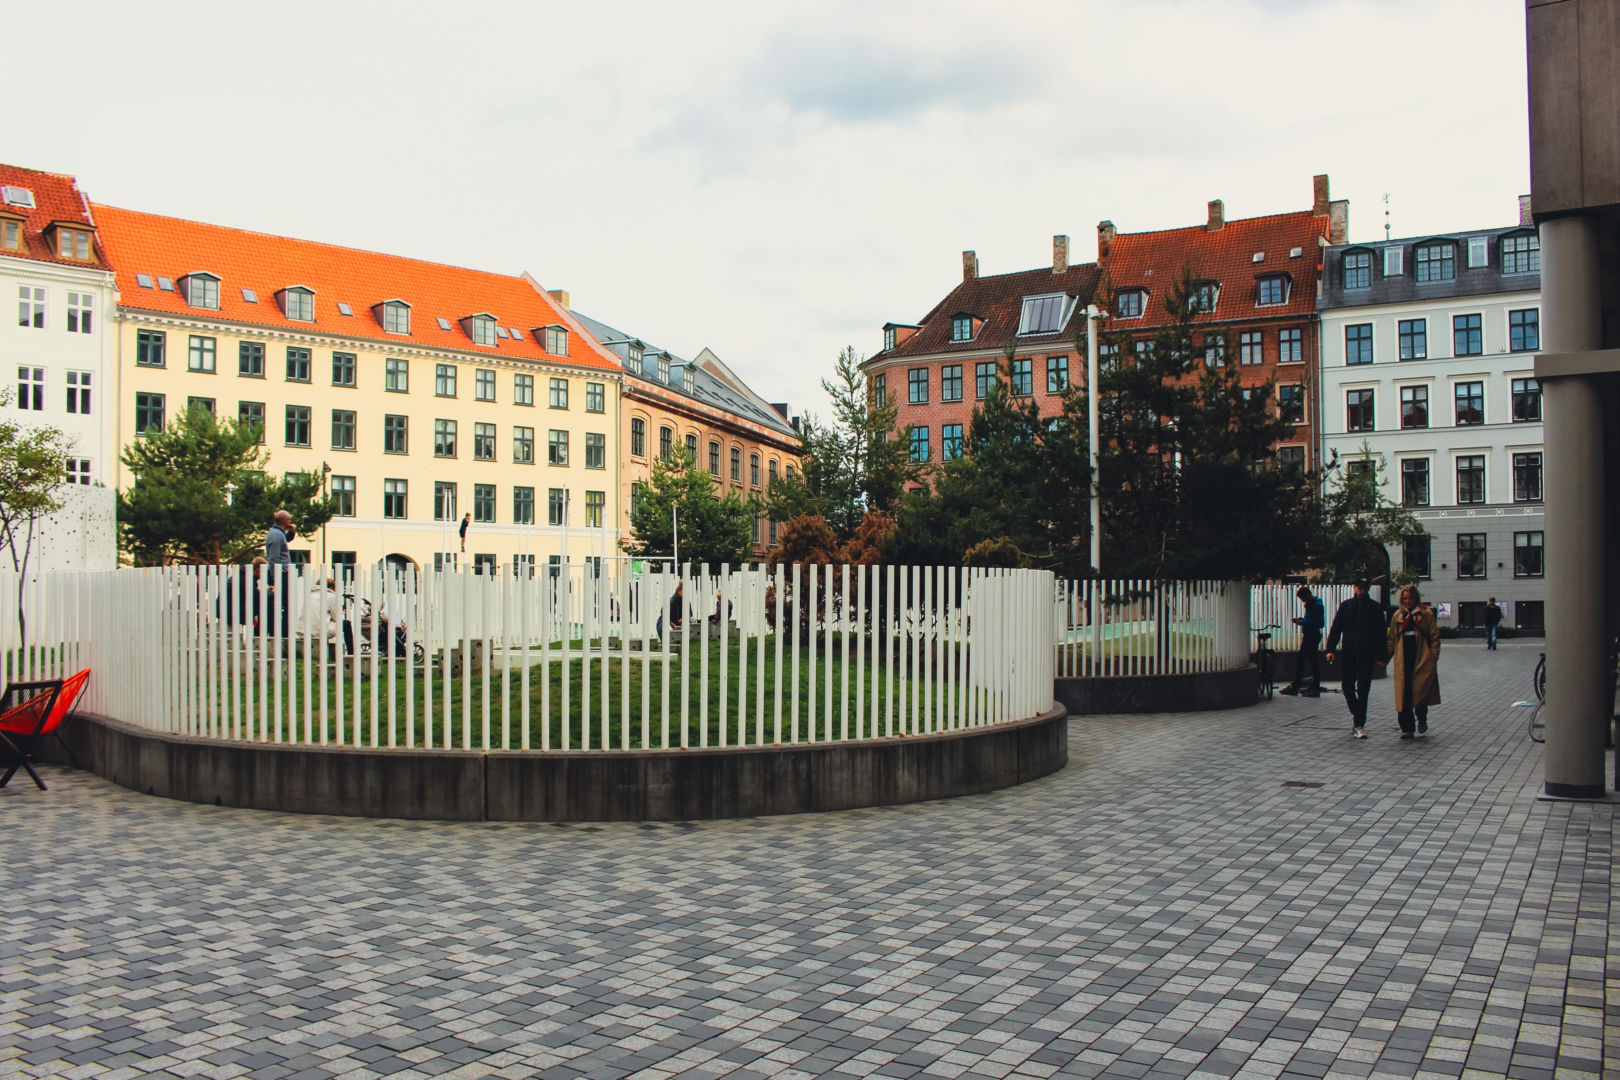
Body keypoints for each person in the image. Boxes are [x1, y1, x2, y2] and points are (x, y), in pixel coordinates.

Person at [1325, 575, 1388, 739]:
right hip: (1349, 653)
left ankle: (1359, 723)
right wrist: (1330, 649)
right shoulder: (1347, 606)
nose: (1363, 591)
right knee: (1347, 686)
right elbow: (1336, 628)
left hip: (1367, 654)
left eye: (1365, 588)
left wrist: (1382, 656)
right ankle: (1356, 712)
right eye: (1360, 588)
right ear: (1354, 588)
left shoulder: (1375, 608)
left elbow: (1381, 634)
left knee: (1364, 689)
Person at [1387, 584, 1441, 739]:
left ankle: (1421, 718)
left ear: (1415, 598)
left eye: (1410, 598)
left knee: (1420, 691)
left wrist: (1434, 656)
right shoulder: (1398, 615)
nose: (1408, 601)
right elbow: (1392, 638)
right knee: (1404, 694)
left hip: (1422, 657)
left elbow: (1434, 636)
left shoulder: (1426, 613)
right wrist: (1385, 658)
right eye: (1404, 598)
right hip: (1403, 659)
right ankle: (1406, 727)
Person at [1281, 585, 1325, 697]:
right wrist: (1302, 620)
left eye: (1303, 599)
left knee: (1308, 662)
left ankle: (1310, 688)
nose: (1302, 602)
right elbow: (1310, 619)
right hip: (1309, 636)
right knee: (1306, 661)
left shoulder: (1317, 605)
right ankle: (1301, 686)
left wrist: (1304, 622)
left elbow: (1320, 623)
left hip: (1312, 636)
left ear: (1307, 595)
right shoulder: (1313, 603)